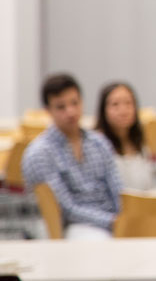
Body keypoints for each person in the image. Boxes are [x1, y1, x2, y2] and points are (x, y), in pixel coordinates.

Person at [21, 73, 124, 240]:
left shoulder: (99, 143)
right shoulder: (40, 153)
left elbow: (118, 191)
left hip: (112, 219)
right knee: (98, 240)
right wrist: (112, 221)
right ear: (48, 110)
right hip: (72, 226)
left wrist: (125, 220)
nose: (71, 112)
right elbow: (65, 209)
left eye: (75, 103)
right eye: (61, 107)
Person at [94, 81, 154, 191]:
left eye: (128, 103)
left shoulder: (140, 141)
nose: (123, 110)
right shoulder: (96, 145)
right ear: (103, 110)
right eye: (115, 104)